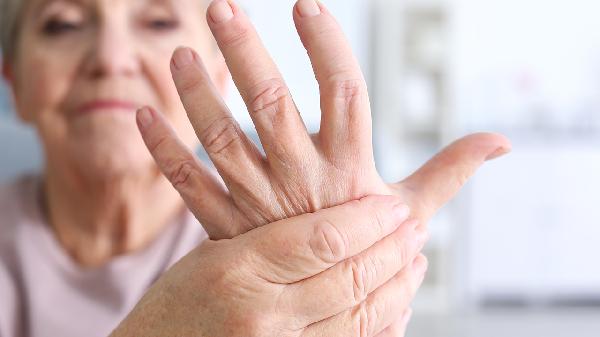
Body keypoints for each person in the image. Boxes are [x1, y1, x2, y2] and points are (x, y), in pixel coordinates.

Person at [0, 0, 511, 336]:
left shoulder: (279, 236)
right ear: (13, 80)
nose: (110, 58)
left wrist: (343, 259)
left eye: (157, 21)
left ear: (217, 73)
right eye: (62, 23)